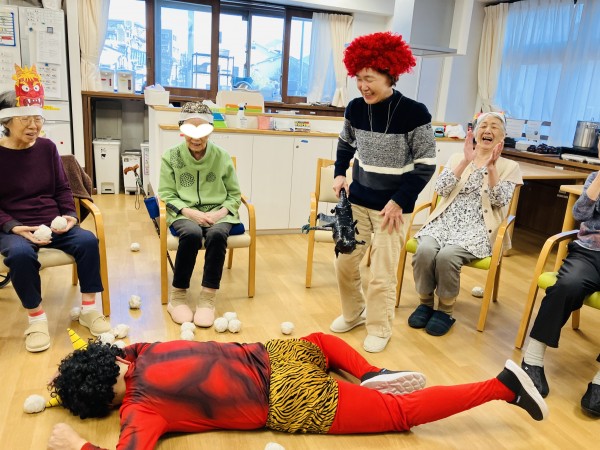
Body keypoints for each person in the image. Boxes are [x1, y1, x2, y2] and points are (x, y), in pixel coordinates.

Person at [47, 332, 547, 449]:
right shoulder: (144, 350)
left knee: (400, 415)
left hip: (288, 400)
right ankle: (370, 371)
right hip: (274, 353)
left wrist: (75, 445)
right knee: (322, 341)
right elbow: (115, 347)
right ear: (115, 360)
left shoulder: (140, 410)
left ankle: (501, 387)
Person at [330, 31, 437, 353]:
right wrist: (340, 173)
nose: (363, 86)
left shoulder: (415, 112)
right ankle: (354, 313)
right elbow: (345, 143)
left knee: (381, 273)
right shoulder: (354, 108)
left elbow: (426, 165)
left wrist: (399, 201)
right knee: (345, 262)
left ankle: (379, 328)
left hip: (393, 209)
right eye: (358, 78)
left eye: (370, 79)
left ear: (390, 75)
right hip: (358, 202)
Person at [0, 66, 110, 353]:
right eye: (25, 118)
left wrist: (70, 216)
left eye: (38, 117)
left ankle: (89, 310)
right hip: (15, 227)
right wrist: (13, 227)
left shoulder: (47, 148)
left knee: (88, 241)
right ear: (6, 121)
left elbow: (62, 188)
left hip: (52, 221)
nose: (34, 125)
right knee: (20, 255)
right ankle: (36, 320)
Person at [409, 112, 523, 336]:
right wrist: (465, 161)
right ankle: (425, 303)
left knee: (447, 256)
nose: (488, 130)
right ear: (475, 132)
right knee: (424, 250)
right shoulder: (457, 157)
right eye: (483, 126)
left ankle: (445, 310)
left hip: (478, 227)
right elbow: (441, 189)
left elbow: (499, 201)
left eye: (494, 127)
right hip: (444, 221)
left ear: (503, 136)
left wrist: (492, 168)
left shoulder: (510, 166)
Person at [521, 139, 600, 417]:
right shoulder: (594, 178)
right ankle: (532, 360)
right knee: (566, 285)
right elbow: (580, 213)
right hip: (589, 252)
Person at [158, 101, 241, 327]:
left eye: (202, 130)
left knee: (217, 235)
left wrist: (219, 214)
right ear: (182, 129)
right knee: (192, 234)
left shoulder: (222, 156)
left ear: (210, 130)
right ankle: (177, 298)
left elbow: (234, 195)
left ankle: (207, 299)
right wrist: (190, 213)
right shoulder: (170, 156)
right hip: (184, 211)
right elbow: (166, 194)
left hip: (219, 212)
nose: (196, 138)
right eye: (190, 130)